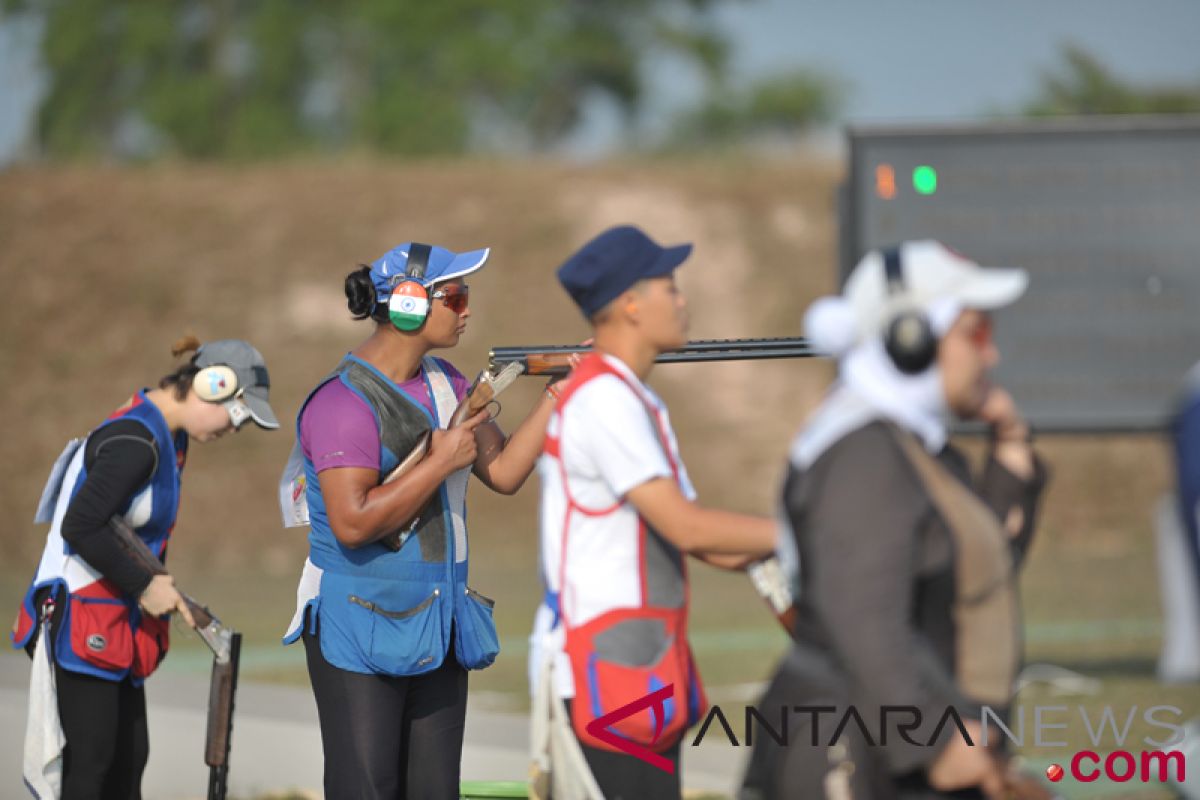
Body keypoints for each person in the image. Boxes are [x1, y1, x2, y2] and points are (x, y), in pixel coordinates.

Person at [740, 240, 1049, 800]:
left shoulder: (906, 446)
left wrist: (1011, 440)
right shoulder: (866, 457)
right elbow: (863, 618)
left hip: (889, 743)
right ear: (911, 339)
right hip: (856, 752)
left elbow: (983, 574)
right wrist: (935, 740)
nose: (990, 355)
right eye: (976, 334)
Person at [282, 242, 563, 799]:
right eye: (454, 297)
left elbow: (504, 472)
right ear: (409, 303)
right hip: (355, 626)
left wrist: (560, 392)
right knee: (367, 789)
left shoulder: (447, 383)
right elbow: (353, 524)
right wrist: (438, 462)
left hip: (437, 620)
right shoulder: (343, 404)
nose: (466, 310)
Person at [530, 225, 778, 799]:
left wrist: (785, 558)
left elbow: (703, 539)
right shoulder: (605, 400)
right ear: (630, 304)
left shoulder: (632, 398)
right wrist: (801, 534)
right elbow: (686, 527)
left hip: (641, 669)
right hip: (604, 675)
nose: (683, 300)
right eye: (670, 285)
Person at [12, 336, 279, 799]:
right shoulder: (136, 442)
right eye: (238, 413)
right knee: (92, 766)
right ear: (214, 384)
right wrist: (144, 584)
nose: (236, 429)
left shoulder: (164, 435)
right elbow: (82, 524)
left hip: (115, 618)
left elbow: (122, 532)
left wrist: (170, 593)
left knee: (128, 761)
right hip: (84, 616)